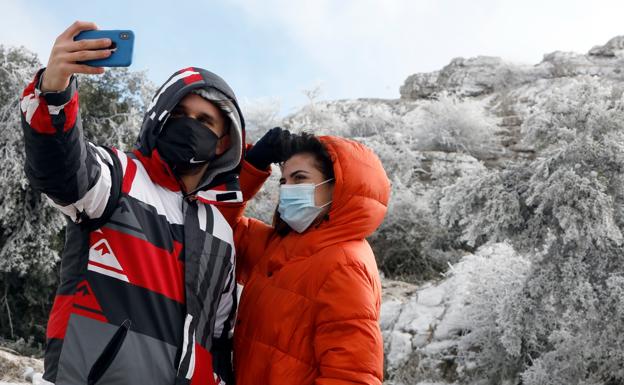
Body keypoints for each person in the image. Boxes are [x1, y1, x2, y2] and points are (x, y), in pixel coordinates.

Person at [20, 21, 244, 385]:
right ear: (159, 117)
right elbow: (60, 168)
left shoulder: (220, 230)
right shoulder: (119, 175)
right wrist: (53, 91)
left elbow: (219, 337)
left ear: (221, 143)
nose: (190, 126)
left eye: (205, 121)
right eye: (180, 115)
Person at [222, 128, 390, 385]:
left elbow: (351, 376)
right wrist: (251, 168)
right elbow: (215, 228)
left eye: (299, 178)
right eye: (283, 181)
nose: (287, 189)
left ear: (339, 187)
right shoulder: (283, 246)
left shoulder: (344, 264)